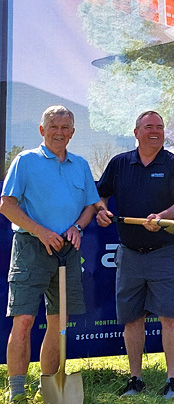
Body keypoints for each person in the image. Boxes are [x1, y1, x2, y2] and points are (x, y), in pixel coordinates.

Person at [0, 106, 99, 403]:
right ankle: (17, 390)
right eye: (53, 126)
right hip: (31, 248)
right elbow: (6, 204)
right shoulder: (25, 161)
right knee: (25, 320)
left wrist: (77, 228)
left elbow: (90, 206)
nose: (60, 132)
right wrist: (41, 231)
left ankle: (50, 389)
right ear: (42, 130)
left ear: (73, 132)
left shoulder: (80, 164)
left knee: (58, 324)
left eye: (65, 127)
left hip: (67, 252)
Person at [95, 111, 174, 398]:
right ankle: (135, 379)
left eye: (160, 127)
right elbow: (100, 195)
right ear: (136, 132)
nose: (155, 131)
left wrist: (162, 217)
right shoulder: (119, 163)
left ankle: (172, 380)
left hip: (166, 252)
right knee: (132, 319)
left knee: (170, 318)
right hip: (129, 254)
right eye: (149, 127)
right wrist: (101, 211)